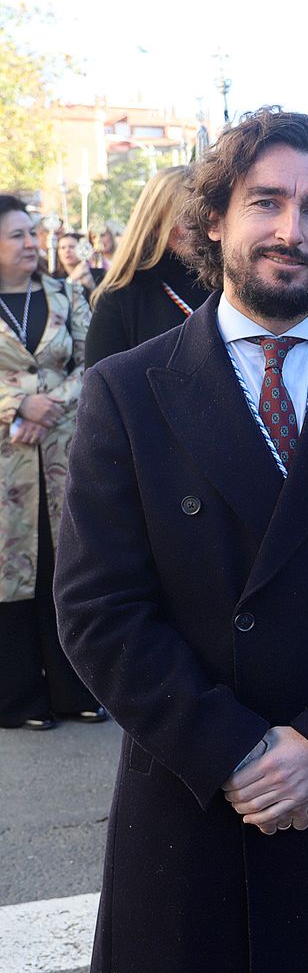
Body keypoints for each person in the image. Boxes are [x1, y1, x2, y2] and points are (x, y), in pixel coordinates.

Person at [54, 109, 308, 972]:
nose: (291, 229)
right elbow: (100, 610)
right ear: (215, 218)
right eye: (265, 201)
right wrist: (239, 755)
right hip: (196, 800)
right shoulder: (129, 389)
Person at [0, 195, 101, 731]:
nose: (31, 245)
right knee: (12, 576)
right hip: (7, 467)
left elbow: (93, 361)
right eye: (17, 235)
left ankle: (74, 690)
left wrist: (49, 404)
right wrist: (16, 404)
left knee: (66, 570)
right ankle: (18, 698)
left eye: (31, 234)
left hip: (64, 454)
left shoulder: (66, 295)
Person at [85, 165, 208, 367]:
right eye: (188, 217)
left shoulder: (230, 282)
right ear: (157, 223)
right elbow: (98, 386)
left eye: (205, 215)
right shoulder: (123, 294)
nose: (200, 228)